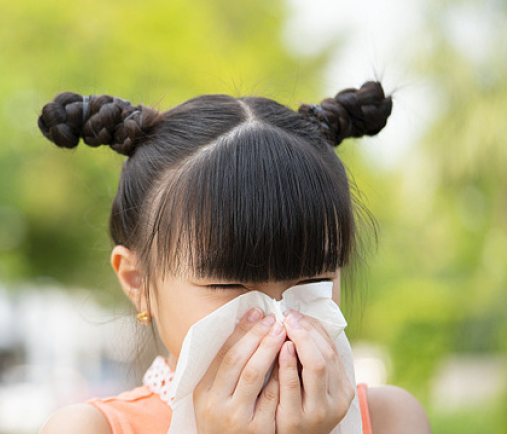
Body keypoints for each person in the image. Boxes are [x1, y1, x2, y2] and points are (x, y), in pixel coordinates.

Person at [36, 82, 431, 434]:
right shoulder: (91, 428)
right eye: (228, 284)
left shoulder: (387, 418)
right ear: (139, 282)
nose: (279, 318)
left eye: (312, 282)